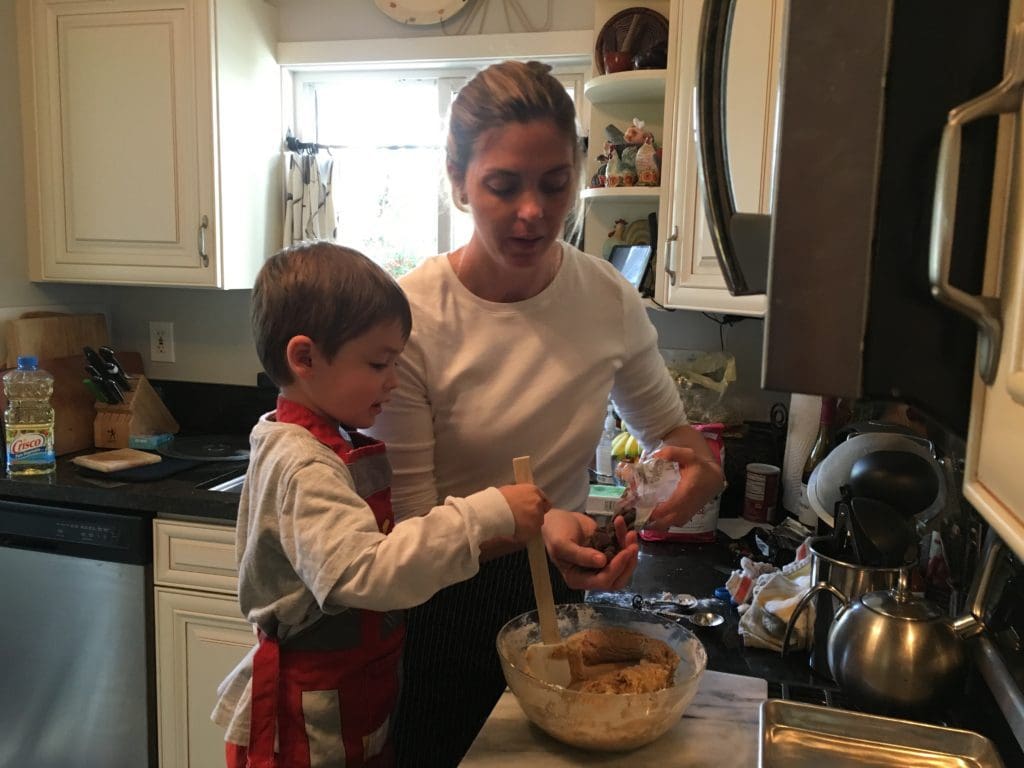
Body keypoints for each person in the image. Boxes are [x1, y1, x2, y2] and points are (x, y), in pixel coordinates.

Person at [367, 60, 725, 766]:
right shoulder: (410, 319)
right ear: (457, 180)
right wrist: (539, 525)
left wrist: (696, 476)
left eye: (555, 184)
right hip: (439, 606)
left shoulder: (607, 298)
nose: (532, 210)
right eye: (503, 185)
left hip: (555, 599)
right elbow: (409, 526)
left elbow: (679, 440)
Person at [210, 241, 551, 768]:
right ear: (304, 358)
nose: (392, 380)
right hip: (306, 723)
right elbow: (365, 573)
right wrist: (485, 513)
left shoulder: (327, 441)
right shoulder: (304, 465)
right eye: (377, 363)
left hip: (350, 699)